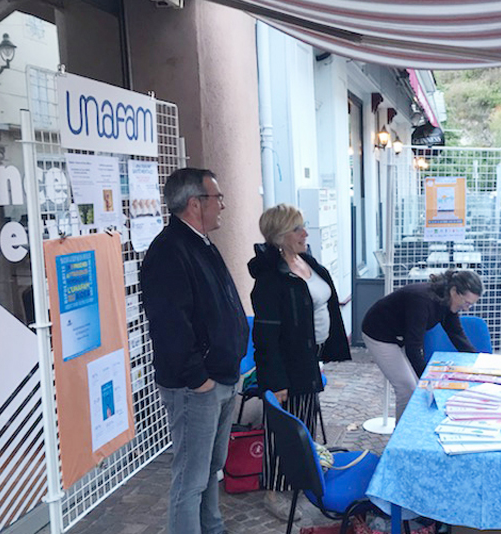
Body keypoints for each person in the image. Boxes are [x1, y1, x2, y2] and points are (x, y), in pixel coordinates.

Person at [141, 168, 249, 534]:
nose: (222, 205)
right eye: (216, 198)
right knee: (190, 478)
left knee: (209, 470)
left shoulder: (201, 242)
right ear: (194, 204)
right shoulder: (168, 252)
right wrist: (197, 378)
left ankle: (212, 528)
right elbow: (170, 325)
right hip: (196, 387)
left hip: (221, 378)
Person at [248, 203, 351, 520]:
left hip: (310, 355)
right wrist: (275, 382)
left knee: (304, 420)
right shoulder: (270, 279)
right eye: (297, 228)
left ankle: (301, 479)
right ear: (279, 236)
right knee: (284, 428)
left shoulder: (305, 261)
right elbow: (265, 337)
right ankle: (275, 492)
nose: (305, 233)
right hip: (287, 362)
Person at [362, 269, 483, 420]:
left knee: (417, 386)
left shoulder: (446, 301)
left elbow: (457, 335)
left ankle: (414, 425)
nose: (466, 308)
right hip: (379, 333)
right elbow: (414, 348)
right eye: (466, 303)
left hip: (401, 335)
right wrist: (428, 380)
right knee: (408, 389)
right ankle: (402, 439)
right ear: (454, 291)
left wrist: (480, 363)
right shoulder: (422, 300)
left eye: (470, 305)